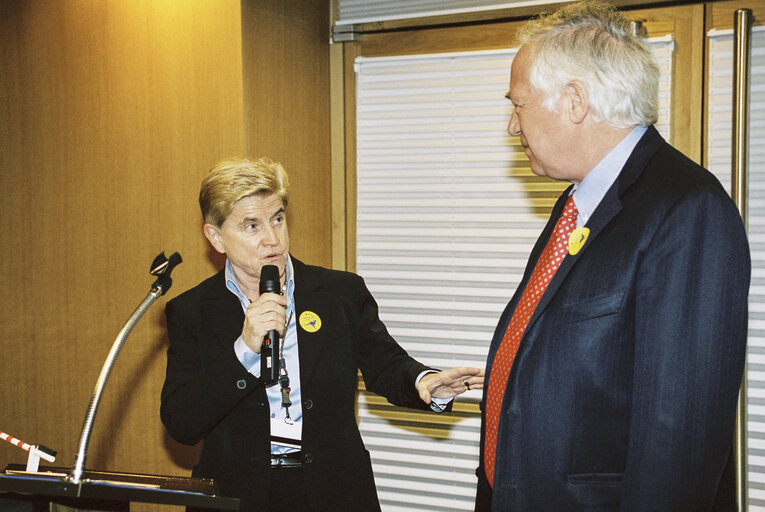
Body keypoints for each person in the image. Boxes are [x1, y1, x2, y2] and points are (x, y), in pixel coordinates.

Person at [476, 1, 750, 510]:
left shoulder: (687, 209)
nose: (513, 126)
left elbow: (678, 439)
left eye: (519, 104)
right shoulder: (579, 201)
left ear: (575, 101)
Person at [160, 157, 484, 512]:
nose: (272, 238)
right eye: (251, 226)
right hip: (238, 494)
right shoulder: (192, 311)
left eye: (277, 219)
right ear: (216, 237)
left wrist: (423, 380)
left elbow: (386, 363)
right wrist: (244, 349)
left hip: (334, 488)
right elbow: (182, 422)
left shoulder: (339, 293)